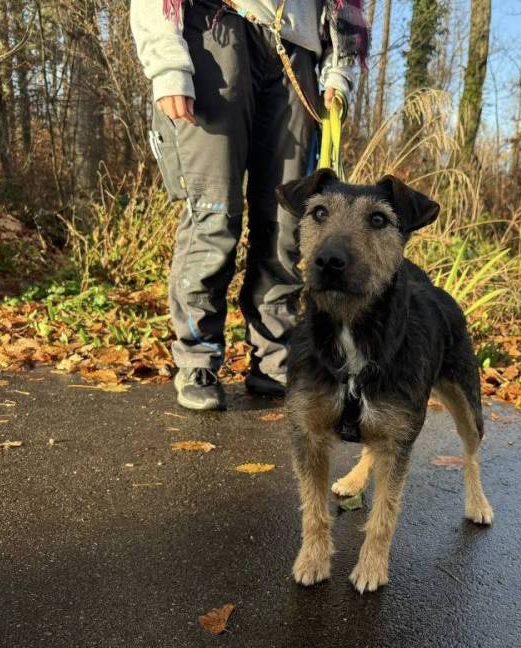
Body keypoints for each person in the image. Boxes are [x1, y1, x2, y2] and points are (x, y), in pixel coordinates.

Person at [130, 0, 367, 410]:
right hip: (215, 27)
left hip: (297, 49)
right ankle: (197, 358)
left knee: (286, 220)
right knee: (213, 212)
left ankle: (274, 358)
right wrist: (167, 63)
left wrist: (341, 66)